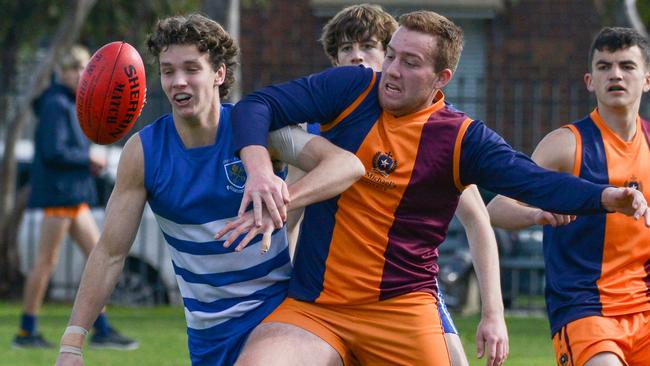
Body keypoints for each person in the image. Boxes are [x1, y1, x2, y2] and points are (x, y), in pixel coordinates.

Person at [222, 10, 650, 366]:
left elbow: (531, 180)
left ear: (441, 77)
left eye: (409, 62)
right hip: (317, 307)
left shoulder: (462, 139)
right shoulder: (353, 88)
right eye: (390, 56)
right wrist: (260, 171)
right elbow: (258, 105)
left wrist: (604, 197)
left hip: (403, 308)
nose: (390, 70)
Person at [54, 14, 363, 366]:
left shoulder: (258, 130)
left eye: (191, 68)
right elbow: (109, 253)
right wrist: (72, 343)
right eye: (168, 71)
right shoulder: (144, 153)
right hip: (207, 336)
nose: (178, 81)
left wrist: (284, 196)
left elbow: (346, 165)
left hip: (281, 316)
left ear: (219, 74)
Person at [314, 4, 507, 366]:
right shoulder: (318, 127)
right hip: (330, 296)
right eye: (345, 48)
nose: (356, 56)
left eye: (368, 46)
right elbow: (292, 222)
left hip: (403, 292)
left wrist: (493, 312)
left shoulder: (430, 134)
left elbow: (478, 220)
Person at [487, 27, 650, 366]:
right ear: (590, 80)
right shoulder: (566, 144)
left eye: (627, 66)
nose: (615, 74)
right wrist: (537, 215)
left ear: (646, 79)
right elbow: (496, 208)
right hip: (585, 308)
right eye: (604, 66)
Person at [12, 45, 137, 350]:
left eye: (84, 69)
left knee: (98, 256)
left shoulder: (69, 101)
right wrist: (87, 161)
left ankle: (102, 328)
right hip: (59, 196)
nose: (81, 75)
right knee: (46, 262)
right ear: (62, 72)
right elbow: (54, 152)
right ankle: (26, 331)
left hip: (71, 195)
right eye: (75, 69)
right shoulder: (56, 103)